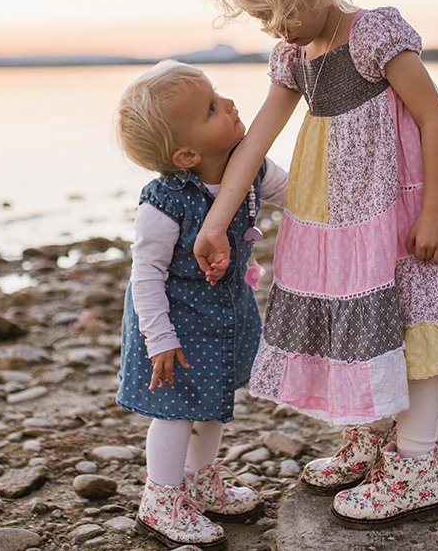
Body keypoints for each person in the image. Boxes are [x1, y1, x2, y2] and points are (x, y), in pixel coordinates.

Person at [194, 0, 438, 529]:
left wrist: (435, 213)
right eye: (262, 17)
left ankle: (416, 468)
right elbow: (255, 143)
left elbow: (432, 118)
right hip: (344, 217)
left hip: (405, 205)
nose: (273, 27)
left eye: (279, 11)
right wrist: (216, 221)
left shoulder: (374, 35)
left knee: (414, 328)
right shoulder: (294, 56)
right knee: (363, 326)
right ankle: (371, 437)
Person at [113, 60, 288, 550]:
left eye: (218, 94)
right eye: (211, 108)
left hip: (224, 316)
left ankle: (199, 482)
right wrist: (159, 338)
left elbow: (298, 194)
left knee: (212, 402)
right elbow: (146, 275)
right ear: (187, 154)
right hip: (173, 324)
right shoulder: (165, 202)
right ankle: (161, 501)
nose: (228, 103)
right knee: (173, 411)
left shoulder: (250, 167)